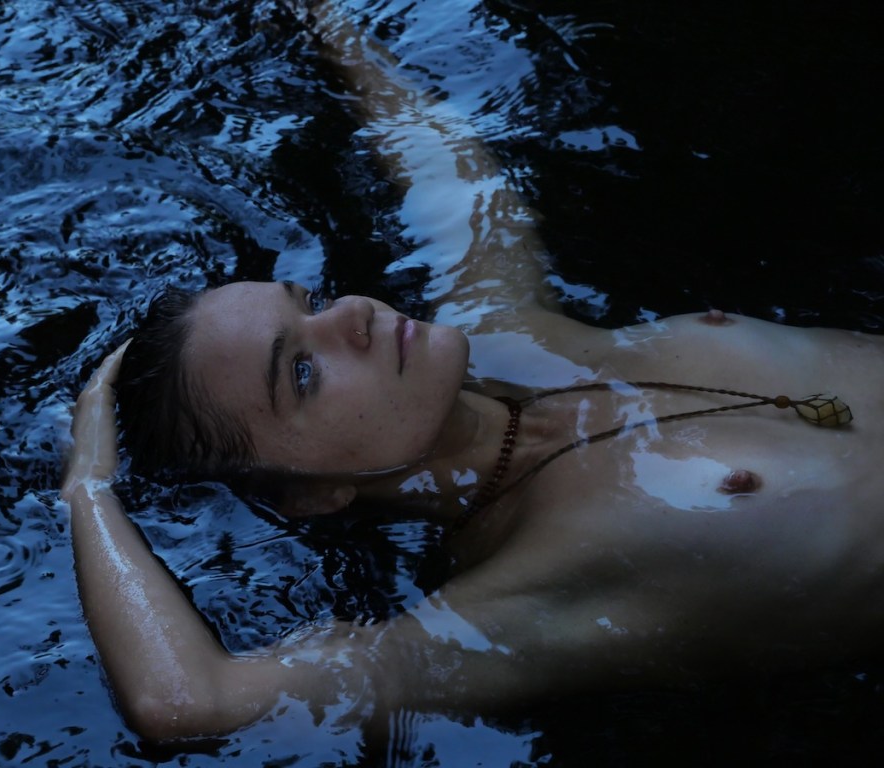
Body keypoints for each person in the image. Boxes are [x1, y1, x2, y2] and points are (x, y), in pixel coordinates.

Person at [61, 3, 884, 745]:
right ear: (314, 495)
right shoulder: (520, 601)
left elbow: (448, 169)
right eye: (303, 371)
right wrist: (89, 490)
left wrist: (324, 21)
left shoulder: (509, 337)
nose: (350, 314)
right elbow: (190, 702)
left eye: (306, 301)